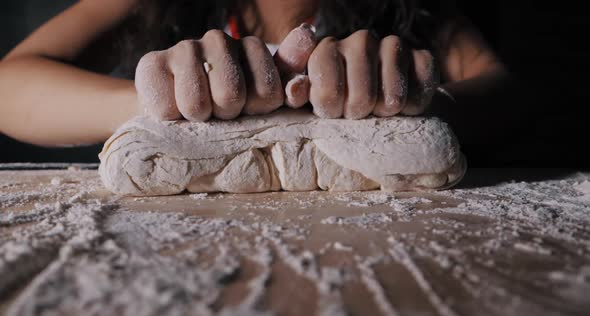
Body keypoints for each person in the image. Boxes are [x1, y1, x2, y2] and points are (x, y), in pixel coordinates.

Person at [0, 0, 507, 148]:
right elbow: (10, 85)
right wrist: (158, 104)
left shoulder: (415, 8)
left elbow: (509, 91)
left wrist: (418, 100)